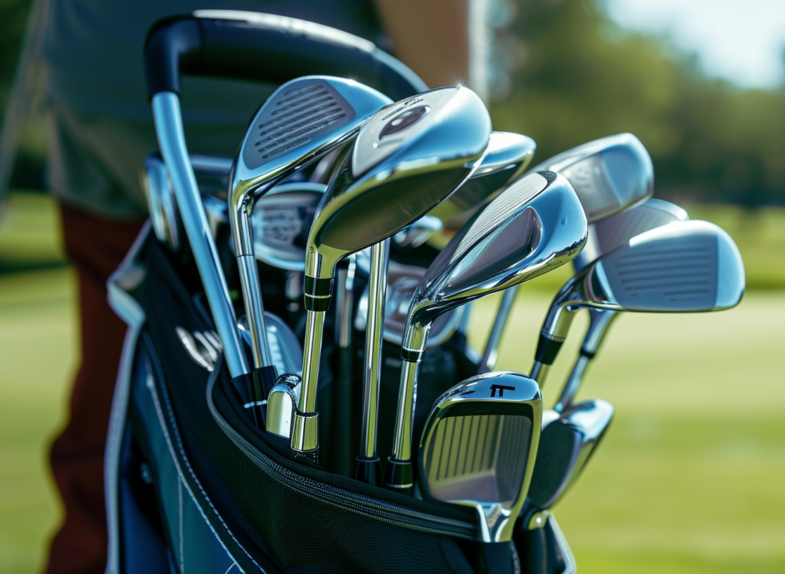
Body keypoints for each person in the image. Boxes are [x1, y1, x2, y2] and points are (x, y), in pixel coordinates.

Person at [0, 1, 483, 572]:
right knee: (112, 454)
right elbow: (445, 75)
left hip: (233, 165)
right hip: (134, 174)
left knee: (119, 459)